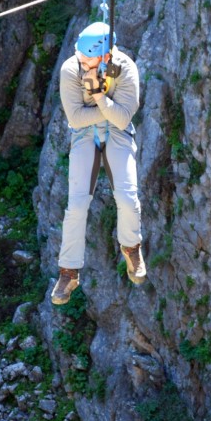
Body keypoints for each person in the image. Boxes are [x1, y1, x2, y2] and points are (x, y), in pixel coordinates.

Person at [51, 20, 147, 305]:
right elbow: (76, 119)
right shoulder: (71, 69)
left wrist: (98, 97)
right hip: (84, 135)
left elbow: (123, 119)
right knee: (77, 204)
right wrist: (108, 108)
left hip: (118, 134)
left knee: (128, 198)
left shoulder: (126, 69)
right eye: (79, 55)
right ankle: (69, 271)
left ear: (105, 57)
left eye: (87, 58)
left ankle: (131, 247)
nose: (81, 61)